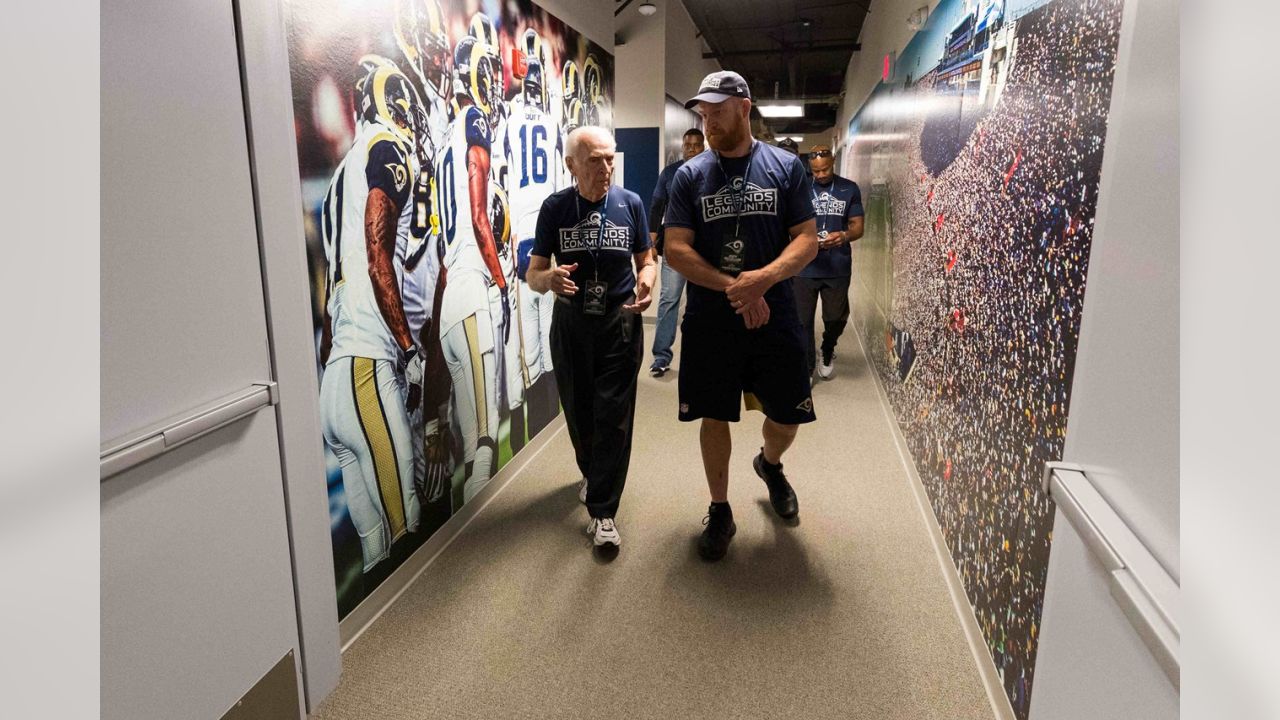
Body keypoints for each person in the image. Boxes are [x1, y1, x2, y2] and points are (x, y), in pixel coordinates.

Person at [662, 71, 819, 562]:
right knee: (714, 412)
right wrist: (738, 287)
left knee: (786, 413)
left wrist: (764, 280)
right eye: (702, 112)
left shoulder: (786, 167)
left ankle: (769, 464)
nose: (706, 120)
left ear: (744, 107)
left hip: (775, 316)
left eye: (716, 110)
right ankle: (720, 508)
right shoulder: (690, 175)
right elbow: (675, 249)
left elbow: (807, 239)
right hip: (713, 318)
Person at [527, 126, 656, 551]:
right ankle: (592, 472)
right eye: (596, 160)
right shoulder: (556, 208)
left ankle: (603, 512)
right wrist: (550, 279)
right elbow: (533, 274)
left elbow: (647, 259)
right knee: (580, 413)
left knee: (614, 416)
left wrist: (647, 280)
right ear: (571, 166)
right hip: (571, 326)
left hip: (619, 323)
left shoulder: (631, 204)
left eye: (610, 157)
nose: (607, 167)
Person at [794, 145, 864, 381]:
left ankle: (827, 348)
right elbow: (790, 224)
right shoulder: (801, 188)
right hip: (805, 266)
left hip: (837, 265)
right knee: (802, 321)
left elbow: (857, 226)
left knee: (835, 318)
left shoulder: (849, 188)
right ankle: (806, 368)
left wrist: (842, 236)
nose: (821, 175)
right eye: (816, 171)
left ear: (833, 161)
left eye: (825, 169)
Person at [648, 127, 706, 376]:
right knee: (669, 300)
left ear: (703, 146)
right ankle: (661, 356)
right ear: (682, 147)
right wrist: (650, 243)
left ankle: (698, 355)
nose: (691, 148)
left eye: (696, 144)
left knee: (700, 303)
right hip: (674, 248)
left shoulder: (712, 171)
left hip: (704, 250)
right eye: (688, 144)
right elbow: (656, 207)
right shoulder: (670, 173)